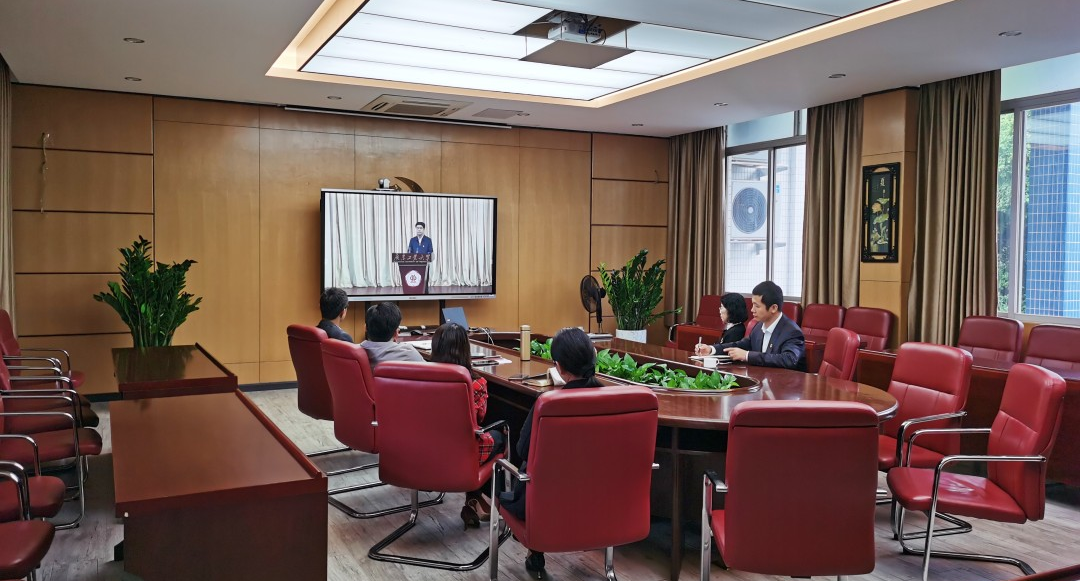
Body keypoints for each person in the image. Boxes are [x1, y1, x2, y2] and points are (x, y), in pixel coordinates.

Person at [501, 327, 603, 579]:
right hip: (602, 503)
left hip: (546, 506)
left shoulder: (548, 404)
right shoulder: (617, 401)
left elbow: (523, 450)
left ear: (558, 367)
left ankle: (536, 549)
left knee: (534, 471)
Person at [429, 323, 506, 530]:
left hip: (425, 452)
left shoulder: (421, 377)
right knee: (499, 436)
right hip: (459, 456)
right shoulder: (476, 384)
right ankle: (498, 504)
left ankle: (474, 500)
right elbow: (479, 418)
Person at [694, 281, 806, 371]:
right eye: (752, 305)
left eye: (757, 306)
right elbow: (741, 345)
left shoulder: (791, 331)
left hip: (784, 386)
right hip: (761, 381)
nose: (752, 310)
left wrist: (747, 355)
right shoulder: (758, 327)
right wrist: (711, 349)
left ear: (773, 308)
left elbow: (789, 359)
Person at [359, 302, 423, 367]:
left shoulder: (355, 353)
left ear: (365, 328)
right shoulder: (408, 353)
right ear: (396, 333)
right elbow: (427, 371)